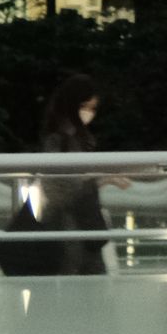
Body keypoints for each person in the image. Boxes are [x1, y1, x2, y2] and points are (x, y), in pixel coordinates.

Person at [35, 74, 108, 276]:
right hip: (72, 225)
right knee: (82, 281)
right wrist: (96, 179)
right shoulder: (62, 140)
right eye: (85, 106)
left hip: (79, 225)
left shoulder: (70, 139)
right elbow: (60, 188)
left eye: (93, 108)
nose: (89, 113)